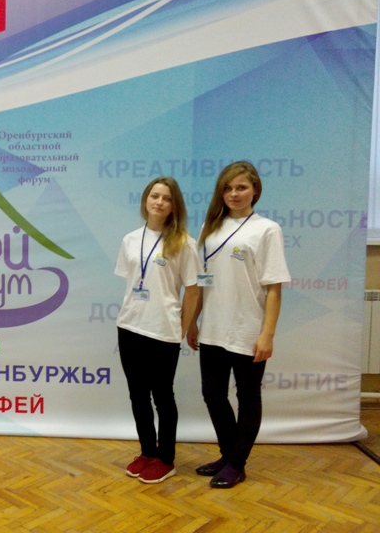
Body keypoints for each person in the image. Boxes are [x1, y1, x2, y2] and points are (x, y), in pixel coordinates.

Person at [187, 161, 290, 489]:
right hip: (213, 329)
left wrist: (267, 335)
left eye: (241, 187)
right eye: (228, 188)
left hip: (247, 330)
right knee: (212, 395)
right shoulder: (210, 227)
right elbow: (203, 280)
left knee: (247, 397)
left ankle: (236, 463)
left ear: (255, 190)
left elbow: (274, 288)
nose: (234, 194)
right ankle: (228, 455)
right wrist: (193, 321)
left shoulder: (267, 229)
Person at [115, 177, 200, 484]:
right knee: (137, 395)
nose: (159, 202)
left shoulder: (184, 243)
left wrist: (183, 327)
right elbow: (131, 282)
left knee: (162, 396)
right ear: (145, 200)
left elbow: (193, 290)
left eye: (167, 198)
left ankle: (166, 459)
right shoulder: (130, 239)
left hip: (163, 330)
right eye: (155, 196)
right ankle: (147, 452)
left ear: (174, 206)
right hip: (129, 326)